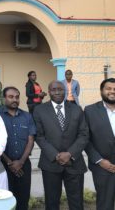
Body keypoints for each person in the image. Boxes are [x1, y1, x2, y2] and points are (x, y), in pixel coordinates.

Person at [34, 80, 89, 210]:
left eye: (60, 89)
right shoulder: (39, 110)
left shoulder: (77, 109)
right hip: (51, 163)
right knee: (52, 202)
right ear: (49, 92)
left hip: (74, 163)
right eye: (54, 89)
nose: (57, 92)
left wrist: (70, 154)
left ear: (65, 90)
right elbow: (39, 136)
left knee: (77, 203)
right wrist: (56, 155)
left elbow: (84, 134)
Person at [0, 86, 36, 210]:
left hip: (23, 164)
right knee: (5, 199)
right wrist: (9, 162)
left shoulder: (27, 116)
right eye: (11, 97)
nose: (14, 99)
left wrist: (21, 162)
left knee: (23, 200)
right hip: (3, 165)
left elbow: (31, 140)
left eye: (17, 97)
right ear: (4, 99)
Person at [85, 78, 115, 210]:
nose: (112, 91)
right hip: (102, 166)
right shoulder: (90, 111)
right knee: (105, 204)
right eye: (108, 88)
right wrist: (100, 160)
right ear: (101, 91)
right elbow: (85, 139)